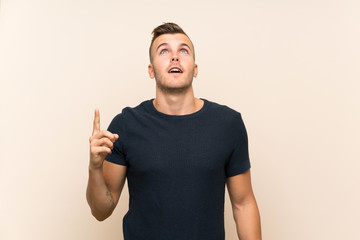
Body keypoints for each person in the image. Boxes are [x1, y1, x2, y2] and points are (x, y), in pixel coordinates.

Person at [86, 22, 262, 240]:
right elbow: (101, 210)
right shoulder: (125, 125)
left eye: (183, 51)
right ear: (151, 70)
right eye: (164, 51)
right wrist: (94, 168)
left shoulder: (228, 124)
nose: (175, 57)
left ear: (195, 69)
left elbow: (243, 204)